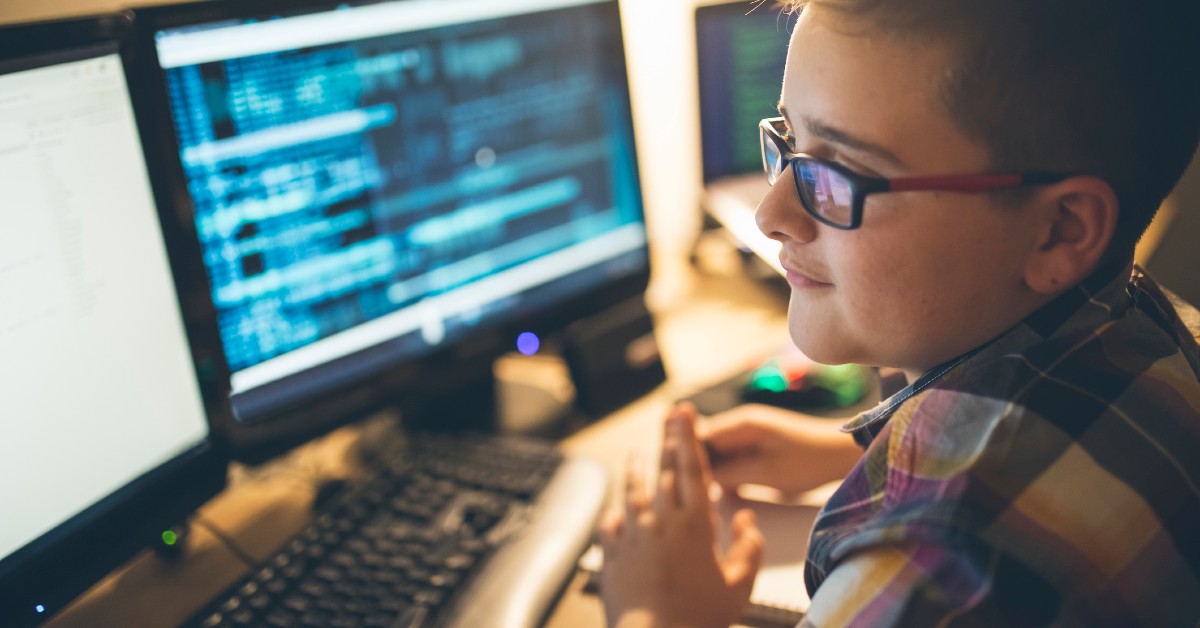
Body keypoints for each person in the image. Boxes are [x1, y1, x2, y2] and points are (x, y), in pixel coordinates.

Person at [598, 0, 1200, 625]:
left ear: (1059, 231)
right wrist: (860, 456)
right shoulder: (1151, 325)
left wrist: (657, 612)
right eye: (789, 142)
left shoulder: (945, 567)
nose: (771, 216)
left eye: (839, 172)